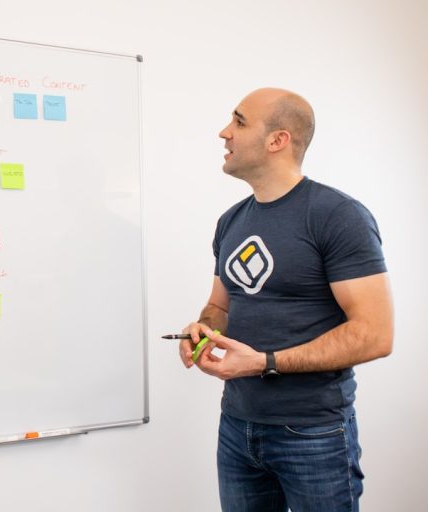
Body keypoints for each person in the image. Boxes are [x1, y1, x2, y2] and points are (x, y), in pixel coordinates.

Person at [179, 88, 394, 512]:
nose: (224, 132)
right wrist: (203, 330)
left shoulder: (338, 216)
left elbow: (375, 335)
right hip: (237, 426)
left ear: (278, 140)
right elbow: (220, 307)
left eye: (239, 122)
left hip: (313, 434)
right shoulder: (231, 221)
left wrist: (265, 362)